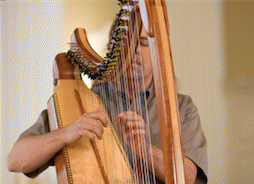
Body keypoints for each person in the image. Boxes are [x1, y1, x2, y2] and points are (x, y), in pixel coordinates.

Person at [7, 27, 208, 184]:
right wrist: (66, 133)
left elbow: (189, 178)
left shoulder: (181, 107)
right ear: (113, 50)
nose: (135, 49)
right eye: (127, 42)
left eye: (144, 43)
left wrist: (146, 151)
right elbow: (14, 160)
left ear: (158, 53)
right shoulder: (81, 103)